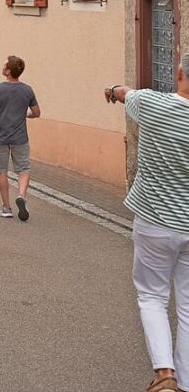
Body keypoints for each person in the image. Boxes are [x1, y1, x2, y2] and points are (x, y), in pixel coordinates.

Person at [105, 55, 189, 392]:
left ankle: (164, 373)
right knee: (187, 304)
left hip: (154, 220)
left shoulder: (154, 104)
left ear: (180, 73)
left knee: (152, 296)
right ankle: (184, 383)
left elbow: (126, 92)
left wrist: (111, 89)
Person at [0, 55, 41, 221]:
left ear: (7, 71)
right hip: (20, 137)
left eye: (4, 65)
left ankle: (6, 207)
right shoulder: (27, 90)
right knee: (24, 169)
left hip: (0, 137)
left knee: (1, 170)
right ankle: (21, 195)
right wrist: (25, 114)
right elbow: (37, 113)